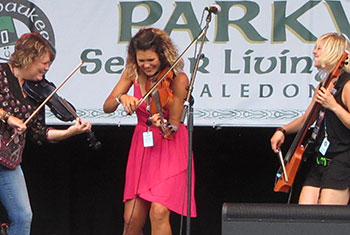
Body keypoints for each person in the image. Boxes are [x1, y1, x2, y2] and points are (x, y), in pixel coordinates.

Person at [103, 28, 196, 234]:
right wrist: (121, 98)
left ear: (162, 55)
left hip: (169, 148)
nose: (146, 65)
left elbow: (174, 124)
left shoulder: (178, 79)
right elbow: (107, 106)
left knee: (159, 211)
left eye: (151, 60)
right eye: (141, 60)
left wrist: (162, 123)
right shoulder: (132, 73)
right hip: (143, 148)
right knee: (131, 218)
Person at [0, 32, 92, 234]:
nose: (47, 68)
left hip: (8, 162)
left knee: (23, 217)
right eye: (44, 63)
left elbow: (40, 133)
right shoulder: (1, 73)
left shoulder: (36, 91)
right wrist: (8, 118)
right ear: (28, 58)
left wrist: (70, 132)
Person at [270, 32, 350, 205]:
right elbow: (307, 118)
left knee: (327, 219)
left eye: (319, 48)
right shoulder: (324, 84)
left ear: (332, 51)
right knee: (305, 212)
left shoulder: (347, 85)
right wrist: (282, 130)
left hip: (342, 158)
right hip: (321, 156)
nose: (314, 52)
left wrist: (333, 105)